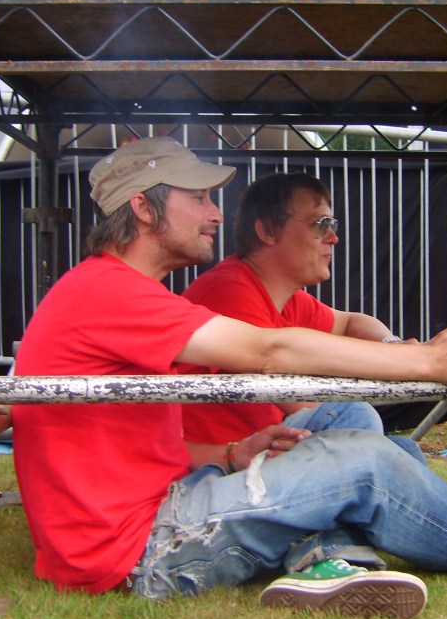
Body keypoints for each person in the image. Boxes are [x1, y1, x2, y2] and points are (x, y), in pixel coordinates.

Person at [9, 136, 447, 619]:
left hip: (155, 512)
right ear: (143, 208)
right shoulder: (109, 292)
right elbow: (268, 350)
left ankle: (327, 553)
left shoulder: (108, 290)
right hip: (137, 553)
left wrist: (230, 452)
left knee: (353, 433)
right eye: (196, 198)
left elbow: (118, 440)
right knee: (365, 462)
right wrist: (428, 362)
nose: (215, 213)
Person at [179, 172, 423, 465]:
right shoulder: (229, 290)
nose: (333, 237)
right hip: (220, 469)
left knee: (404, 453)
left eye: (331, 225)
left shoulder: (284, 296)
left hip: (259, 456)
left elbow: (350, 322)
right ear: (268, 231)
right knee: (354, 418)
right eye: (321, 225)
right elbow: (302, 401)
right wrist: (415, 361)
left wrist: (391, 345)